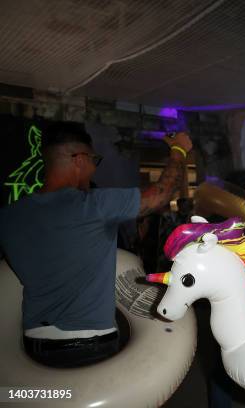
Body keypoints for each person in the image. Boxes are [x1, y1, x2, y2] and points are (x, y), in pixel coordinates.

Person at [0, 121, 192, 368]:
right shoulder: (93, 206)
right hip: (89, 346)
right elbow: (162, 194)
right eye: (94, 160)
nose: (94, 169)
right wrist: (180, 150)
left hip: (34, 348)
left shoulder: (9, 216)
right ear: (79, 160)